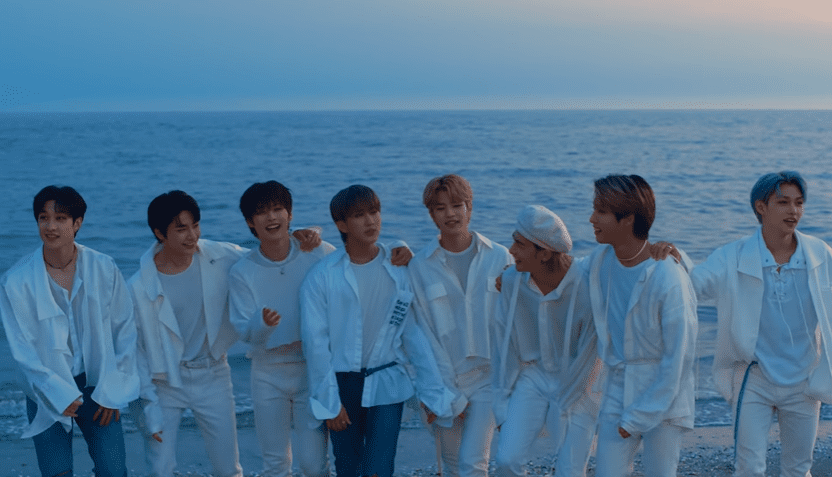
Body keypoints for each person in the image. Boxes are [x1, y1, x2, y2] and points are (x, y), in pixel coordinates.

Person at [662, 171, 832, 477]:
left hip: (804, 380)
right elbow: (693, 286)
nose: (794, 211)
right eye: (783, 202)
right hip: (753, 378)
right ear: (761, 207)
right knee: (749, 469)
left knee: (798, 469)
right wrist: (673, 260)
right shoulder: (733, 255)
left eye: (799, 203)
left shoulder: (820, 254)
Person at [300, 184, 455, 477]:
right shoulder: (321, 276)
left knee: (380, 469)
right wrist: (329, 403)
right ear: (341, 225)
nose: (371, 221)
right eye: (359, 215)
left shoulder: (398, 267)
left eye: (374, 212)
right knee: (348, 467)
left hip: (387, 381)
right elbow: (316, 344)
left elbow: (413, 334)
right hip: (342, 384)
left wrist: (432, 392)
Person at [0, 185, 139, 477]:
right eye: (43, 218)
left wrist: (113, 390)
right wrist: (56, 393)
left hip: (97, 384)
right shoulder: (16, 281)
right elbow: (23, 350)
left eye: (60, 218)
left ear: (77, 223)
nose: (50, 226)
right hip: (45, 388)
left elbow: (124, 330)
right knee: (57, 473)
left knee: (114, 471)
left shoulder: (104, 267)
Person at [129, 190, 246, 477]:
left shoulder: (220, 256)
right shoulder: (137, 287)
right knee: (160, 469)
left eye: (195, 225)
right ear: (160, 233)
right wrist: (147, 406)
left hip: (213, 373)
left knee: (228, 468)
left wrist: (300, 238)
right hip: (164, 383)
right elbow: (136, 353)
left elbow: (266, 258)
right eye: (181, 229)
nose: (192, 235)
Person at [587, 174, 697, 477]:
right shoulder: (600, 261)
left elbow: (678, 359)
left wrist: (639, 417)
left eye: (601, 211)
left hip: (665, 394)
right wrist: (512, 272)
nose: (592, 218)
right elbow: (561, 273)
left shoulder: (667, 277)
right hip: (617, 386)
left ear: (627, 219)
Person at [408, 174, 511, 477]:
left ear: (470, 207)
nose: (450, 214)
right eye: (440, 208)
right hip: (444, 380)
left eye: (457, 205)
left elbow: (514, 321)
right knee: (452, 464)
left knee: (473, 462)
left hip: (489, 378)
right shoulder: (419, 266)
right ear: (431, 214)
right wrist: (434, 392)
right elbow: (421, 335)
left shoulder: (500, 257)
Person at [229, 181, 334, 477]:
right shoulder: (242, 271)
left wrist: (400, 249)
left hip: (310, 370)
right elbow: (245, 333)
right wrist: (261, 324)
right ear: (250, 222)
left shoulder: (318, 252)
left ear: (290, 214)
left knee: (314, 464)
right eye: (262, 212)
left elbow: (352, 268)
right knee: (275, 463)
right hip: (267, 374)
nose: (272, 217)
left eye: (278, 209)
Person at [492, 205, 600, 477]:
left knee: (570, 471)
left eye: (520, 244)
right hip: (534, 376)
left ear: (544, 253)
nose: (511, 250)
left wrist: (668, 253)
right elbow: (504, 347)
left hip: (580, 384)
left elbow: (628, 265)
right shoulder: (511, 280)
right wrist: (502, 408)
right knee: (506, 460)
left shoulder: (587, 282)